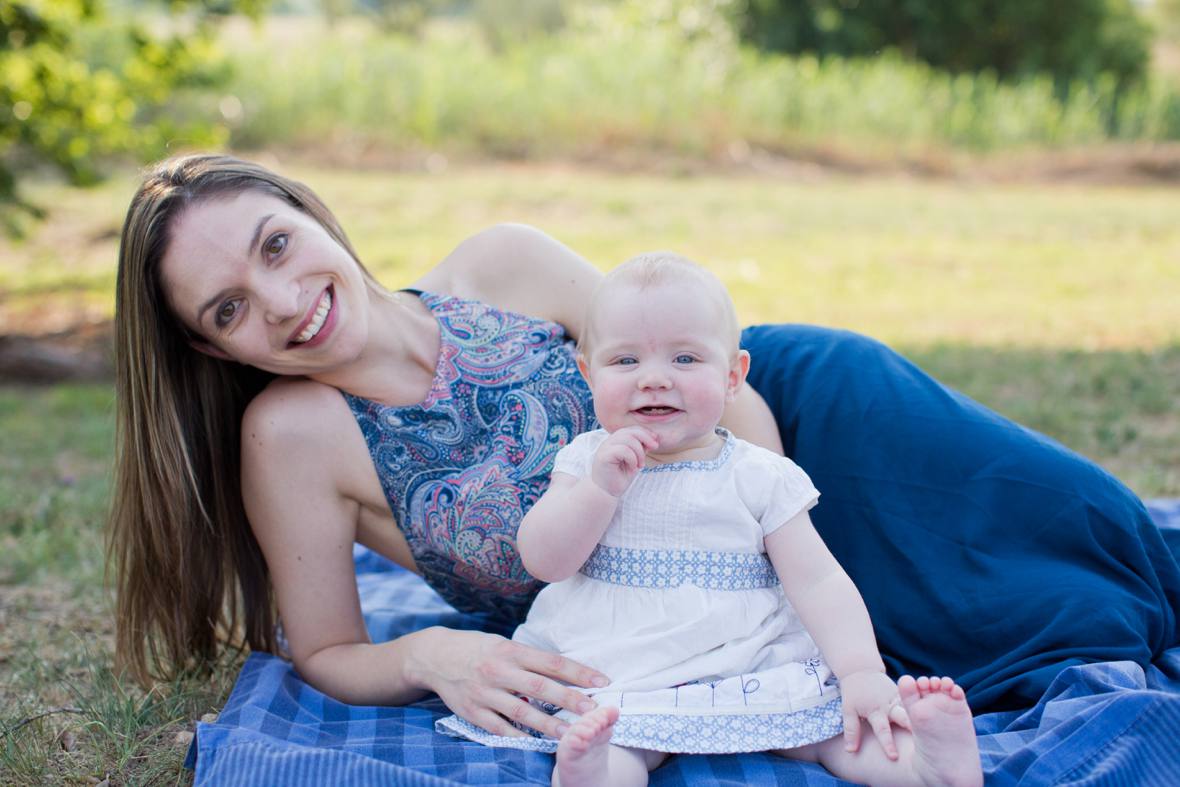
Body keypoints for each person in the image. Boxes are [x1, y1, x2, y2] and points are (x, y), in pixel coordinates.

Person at [108, 154, 1179, 778]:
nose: (286, 301)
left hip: (796, 441)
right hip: (661, 624)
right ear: (210, 348)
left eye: (275, 245)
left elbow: (696, 358)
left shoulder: (503, 262)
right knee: (1039, 623)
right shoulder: (289, 437)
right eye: (231, 307)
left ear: (309, 212)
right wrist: (436, 654)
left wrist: (769, 560)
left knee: (1073, 521)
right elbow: (332, 646)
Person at [437, 253, 983, 786]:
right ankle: (594, 773)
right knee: (612, 732)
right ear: (588, 373)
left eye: (685, 359)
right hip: (622, 662)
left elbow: (817, 580)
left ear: (732, 375)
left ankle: (924, 767)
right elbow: (545, 561)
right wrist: (599, 492)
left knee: (827, 730)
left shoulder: (760, 475)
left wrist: (861, 672)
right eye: (625, 361)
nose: (653, 379)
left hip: (747, 660)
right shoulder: (585, 461)